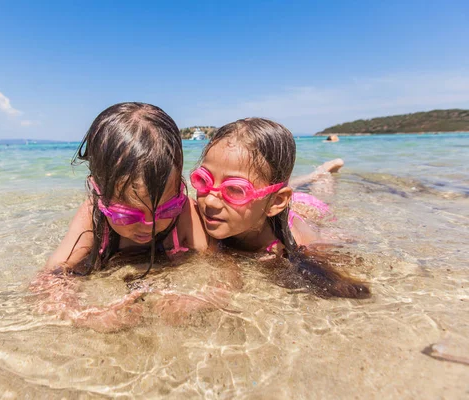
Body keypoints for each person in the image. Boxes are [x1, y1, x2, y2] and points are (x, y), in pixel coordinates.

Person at [32, 102, 208, 331]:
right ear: (99, 193)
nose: (150, 225)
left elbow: (220, 266)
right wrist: (87, 316)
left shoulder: (185, 212)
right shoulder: (92, 218)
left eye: (165, 210)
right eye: (127, 215)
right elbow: (50, 279)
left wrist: (196, 301)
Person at [191, 118, 370, 298]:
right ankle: (314, 175)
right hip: (271, 203)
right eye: (203, 179)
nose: (211, 201)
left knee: (324, 192)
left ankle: (323, 174)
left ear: (277, 202)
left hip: (307, 207)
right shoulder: (203, 211)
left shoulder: (301, 242)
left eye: (236, 190)